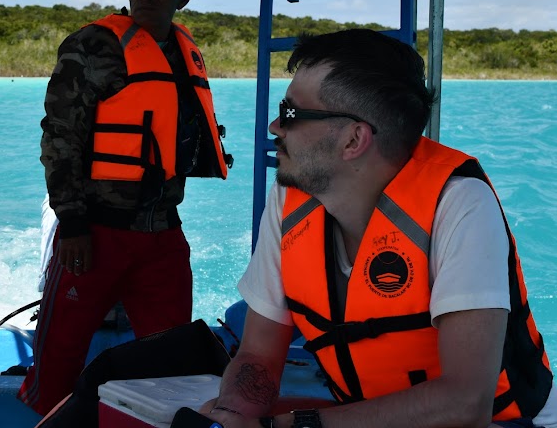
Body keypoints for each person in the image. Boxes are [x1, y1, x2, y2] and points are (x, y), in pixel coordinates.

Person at [202, 28, 556, 428]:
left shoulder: (459, 204)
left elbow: (465, 403)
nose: (274, 127)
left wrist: (293, 425)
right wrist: (229, 417)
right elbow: (257, 358)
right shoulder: (291, 199)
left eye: (291, 114)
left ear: (354, 139)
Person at [18, 0, 233, 415]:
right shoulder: (92, 45)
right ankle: (45, 420)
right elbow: (59, 137)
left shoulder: (184, 51)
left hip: (161, 231)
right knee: (59, 354)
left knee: (172, 352)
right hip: (95, 232)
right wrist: (72, 223)